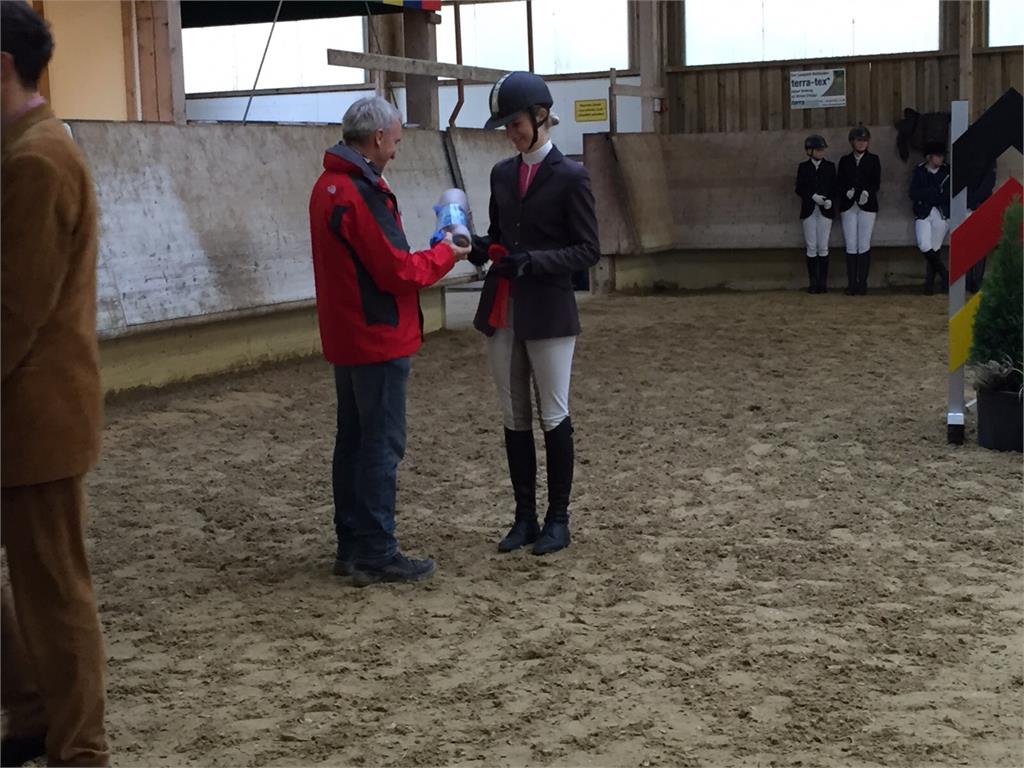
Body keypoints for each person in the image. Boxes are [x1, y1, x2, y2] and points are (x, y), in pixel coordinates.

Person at [1, 2, 109, 764]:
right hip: (25, 412)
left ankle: (80, 747)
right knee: (44, 587)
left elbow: (14, 308)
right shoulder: (25, 150)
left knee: (56, 592)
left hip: (34, 417)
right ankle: (34, 710)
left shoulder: (36, 161)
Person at [309, 96, 471, 586]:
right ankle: (377, 550)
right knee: (381, 445)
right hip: (377, 335)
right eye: (396, 140)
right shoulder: (361, 193)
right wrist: (445, 254)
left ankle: (351, 545)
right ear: (378, 137)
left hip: (347, 334)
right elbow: (397, 270)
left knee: (353, 442)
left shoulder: (328, 186)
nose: (397, 149)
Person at [469, 72, 600, 556]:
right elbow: (499, 235)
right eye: (506, 126)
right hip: (504, 307)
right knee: (514, 415)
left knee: (553, 413)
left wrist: (534, 262)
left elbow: (588, 249)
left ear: (541, 117)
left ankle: (557, 519)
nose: (511, 133)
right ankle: (524, 517)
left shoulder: (571, 177)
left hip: (548, 309)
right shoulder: (501, 174)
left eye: (516, 124)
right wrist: (475, 246)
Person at [837, 125, 881, 295]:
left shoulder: (874, 159)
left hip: (867, 205)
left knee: (863, 244)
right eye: (859, 140)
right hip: (849, 206)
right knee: (851, 244)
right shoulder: (845, 160)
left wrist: (867, 192)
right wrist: (846, 191)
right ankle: (851, 283)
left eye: (864, 140)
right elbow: (840, 181)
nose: (862, 143)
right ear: (852, 142)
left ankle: (862, 283)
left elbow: (876, 182)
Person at [795, 134, 836, 293]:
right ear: (809, 151)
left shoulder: (830, 166)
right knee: (811, 246)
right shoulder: (803, 167)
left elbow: (834, 186)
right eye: (818, 150)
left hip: (825, 209)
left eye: (822, 150)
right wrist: (812, 196)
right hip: (809, 209)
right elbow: (799, 188)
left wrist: (830, 199)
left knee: (823, 246)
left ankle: (823, 282)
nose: (821, 152)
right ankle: (813, 282)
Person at [909, 141, 951, 295]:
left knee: (935, 247)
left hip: (941, 213)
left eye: (942, 156)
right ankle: (945, 275)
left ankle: (929, 285)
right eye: (937, 156)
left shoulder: (947, 171)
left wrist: (928, 194)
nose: (940, 159)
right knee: (924, 244)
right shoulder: (919, 171)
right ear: (929, 157)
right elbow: (913, 193)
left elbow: (947, 195)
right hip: (923, 211)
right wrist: (934, 193)